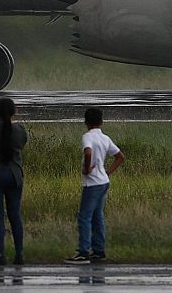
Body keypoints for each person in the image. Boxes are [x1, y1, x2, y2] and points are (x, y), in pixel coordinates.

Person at [65, 107, 125, 264]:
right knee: (98, 216)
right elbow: (119, 156)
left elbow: (88, 152)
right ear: (102, 121)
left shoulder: (87, 137)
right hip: (103, 181)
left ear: (86, 122)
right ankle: (99, 251)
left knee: (84, 216)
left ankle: (83, 251)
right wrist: (107, 172)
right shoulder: (105, 138)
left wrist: (87, 168)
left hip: (92, 184)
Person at [0, 97, 28, 266]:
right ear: (14, 112)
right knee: (15, 215)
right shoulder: (19, 130)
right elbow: (22, 145)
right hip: (14, 174)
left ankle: (0, 253)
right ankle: (19, 253)